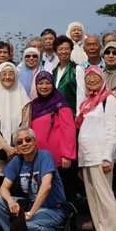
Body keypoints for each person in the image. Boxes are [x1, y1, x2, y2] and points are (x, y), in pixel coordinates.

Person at [0, 126, 67, 231]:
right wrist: (11, 201)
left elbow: (46, 186)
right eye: (19, 142)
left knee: (24, 225)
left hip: (53, 209)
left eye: (28, 140)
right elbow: (3, 188)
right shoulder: (17, 160)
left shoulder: (45, 156)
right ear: (16, 147)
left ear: (34, 141)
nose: (25, 144)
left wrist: (31, 213)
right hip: (31, 205)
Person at [75, 66, 116, 231]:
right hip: (87, 157)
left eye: (96, 77)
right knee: (93, 198)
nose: (92, 80)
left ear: (103, 78)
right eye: (88, 78)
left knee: (105, 197)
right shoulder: (89, 102)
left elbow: (113, 130)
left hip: (100, 156)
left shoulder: (108, 100)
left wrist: (107, 157)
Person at [30, 71, 78, 201]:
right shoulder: (33, 105)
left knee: (65, 191)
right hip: (40, 158)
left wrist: (67, 155)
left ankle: (68, 218)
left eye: (47, 83)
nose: (44, 86)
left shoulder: (60, 104)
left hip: (61, 160)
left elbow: (68, 130)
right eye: (40, 83)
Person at [0, 62, 31, 194]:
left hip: (18, 152)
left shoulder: (24, 100)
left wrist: (15, 149)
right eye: (3, 74)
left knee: (17, 192)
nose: (7, 77)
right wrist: (6, 148)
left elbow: (25, 126)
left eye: (10, 73)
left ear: (16, 76)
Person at [46, 35, 80, 113]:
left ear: (71, 50)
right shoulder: (54, 72)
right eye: (60, 49)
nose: (64, 52)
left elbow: (81, 94)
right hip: (55, 113)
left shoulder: (77, 70)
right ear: (56, 52)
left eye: (67, 49)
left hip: (72, 113)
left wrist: (79, 115)